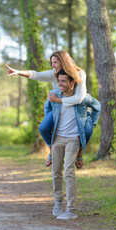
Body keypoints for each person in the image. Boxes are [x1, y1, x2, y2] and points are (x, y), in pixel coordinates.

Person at [6, 50, 89, 167]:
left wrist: (58, 100)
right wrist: (18, 72)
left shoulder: (79, 74)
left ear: (63, 61)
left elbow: (79, 98)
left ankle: (79, 153)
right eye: (51, 62)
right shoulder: (53, 74)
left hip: (77, 109)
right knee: (43, 128)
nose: (53, 65)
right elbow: (35, 74)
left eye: (55, 62)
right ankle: (51, 150)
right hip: (59, 108)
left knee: (87, 131)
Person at [44, 69, 101, 220]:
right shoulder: (55, 94)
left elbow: (97, 106)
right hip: (57, 138)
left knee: (68, 172)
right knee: (56, 171)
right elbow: (47, 106)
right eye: (59, 81)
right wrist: (49, 121)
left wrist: (90, 124)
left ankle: (72, 210)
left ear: (72, 82)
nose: (60, 84)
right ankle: (58, 201)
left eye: (63, 81)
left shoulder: (81, 98)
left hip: (73, 139)